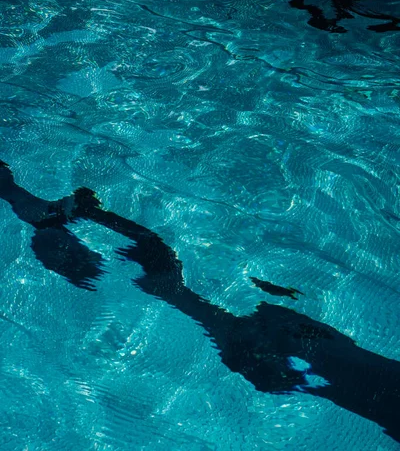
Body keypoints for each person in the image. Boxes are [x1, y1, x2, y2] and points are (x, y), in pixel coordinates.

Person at [0, 160, 399, 442]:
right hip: (311, 362)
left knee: (163, 285)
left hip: (309, 359)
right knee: (167, 287)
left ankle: (59, 215)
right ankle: (60, 215)